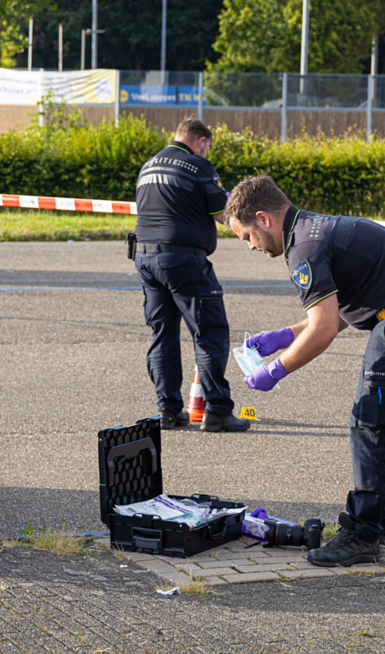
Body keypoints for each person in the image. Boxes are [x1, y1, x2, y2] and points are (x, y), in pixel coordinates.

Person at [224, 175, 385, 567]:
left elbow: (325, 328)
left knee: (369, 423)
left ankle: (362, 535)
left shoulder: (304, 249)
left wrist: (274, 371)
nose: (250, 246)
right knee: (381, 421)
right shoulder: (314, 228)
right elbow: (338, 312)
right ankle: (384, 523)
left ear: (263, 219)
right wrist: (283, 336)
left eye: (246, 235)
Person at [131, 118, 250, 432]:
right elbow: (224, 214)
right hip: (183, 260)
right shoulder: (198, 166)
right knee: (210, 333)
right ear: (201, 141)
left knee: (163, 335)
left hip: (145, 258)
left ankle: (169, 411)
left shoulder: (149, 165)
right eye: (207, 147)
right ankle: (219, 412)